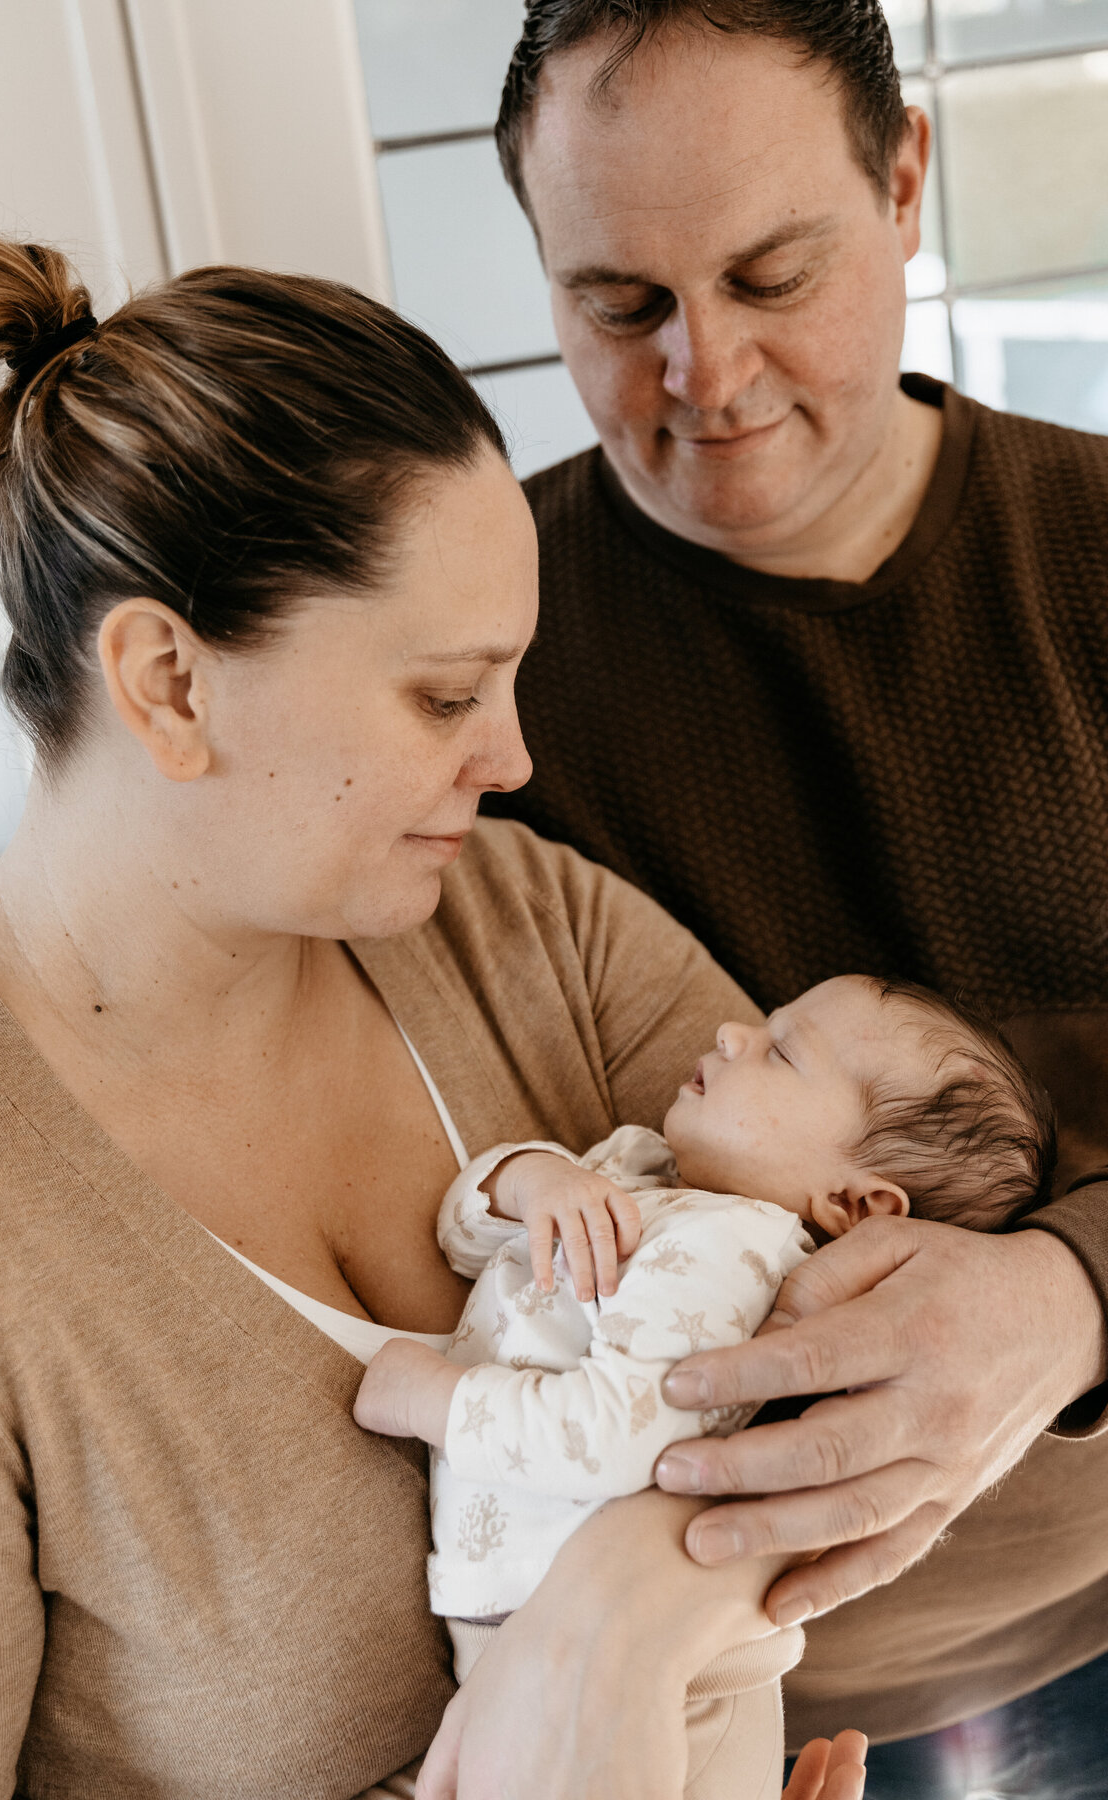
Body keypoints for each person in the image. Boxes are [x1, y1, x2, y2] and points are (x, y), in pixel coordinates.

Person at [0, 222, 865, 1800]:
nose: (512, 762)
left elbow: (888, 1317)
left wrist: (617, 1631)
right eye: (443, 696)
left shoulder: (515, 920)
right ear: (166, 683)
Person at [482, 0, 1108, 1788]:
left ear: (905, 181)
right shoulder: (470, 649)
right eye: (621, 306)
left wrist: (1073, 1292)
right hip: (698, 1691)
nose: (708, 374)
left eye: (773, 275)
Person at [355, 974, 1055, 1797]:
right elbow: (467, 1242)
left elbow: (605, 1438)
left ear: (857, 1205)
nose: (732, 1033)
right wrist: (532, 1180)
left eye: (783, 1052)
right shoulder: (645, 1172)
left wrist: (430, 1399)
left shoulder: (734, 1253)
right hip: (577, 1652)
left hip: (676, 1683)